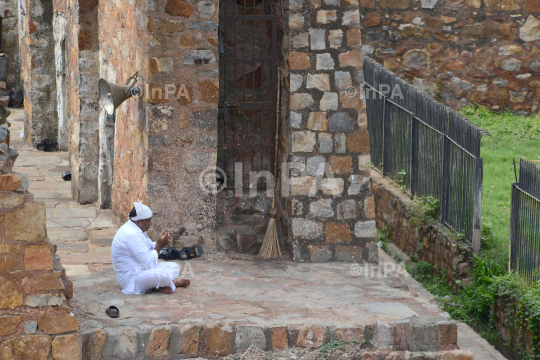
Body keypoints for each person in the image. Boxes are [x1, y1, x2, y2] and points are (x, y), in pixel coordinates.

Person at [111, 201, 190, 294]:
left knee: (174, 267)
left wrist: (161, 243)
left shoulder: (136, 228)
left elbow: (149, 246)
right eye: (148, 221)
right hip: (132, 279)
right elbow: (148, 263)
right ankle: (171, 283)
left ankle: (155, 286)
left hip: (142, 270)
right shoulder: (131, 235)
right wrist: (159, 246)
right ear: (138, 221)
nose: (150, 223)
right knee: (161, 276)